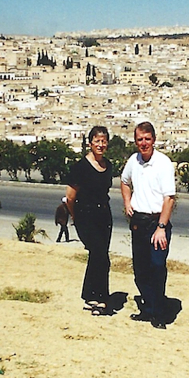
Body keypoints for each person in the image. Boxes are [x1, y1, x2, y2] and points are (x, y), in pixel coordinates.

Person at [121, 121, 176, 330]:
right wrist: (127, 202)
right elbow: (124, 181)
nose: (143, 143)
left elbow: (169, 198)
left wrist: (161, 227)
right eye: (139, 139)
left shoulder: (163, 163)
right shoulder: (133, 161)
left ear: (154, 140)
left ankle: (160, 313)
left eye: (147, 139)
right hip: (138, 222)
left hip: (156, 223)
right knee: (140, 270)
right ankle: (148, 309)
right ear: (135, 141)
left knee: (157, 267)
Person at [66, 126, 114, 316]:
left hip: (104, 215)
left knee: (98, 255)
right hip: (86, 216)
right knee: (100, 255)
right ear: (90, 143)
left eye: (103, 141)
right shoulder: (80, 167)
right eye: (97, 141)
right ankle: (100, 299)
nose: (100, 145)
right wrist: (75, 216)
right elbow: (70, 197)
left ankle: (90, 295)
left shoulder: (108, 166)